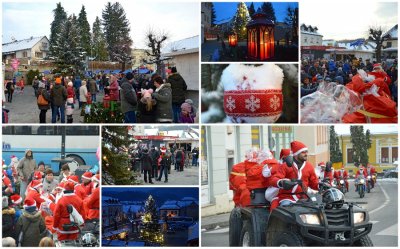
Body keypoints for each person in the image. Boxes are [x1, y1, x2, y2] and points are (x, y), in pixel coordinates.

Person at [269, 141, 319, 210]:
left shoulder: (309, 166)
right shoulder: (286, 165)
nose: (306, 154)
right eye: (303, 152)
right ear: (296, 154)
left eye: (306, 152)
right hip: (288, 198)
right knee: (286, 212)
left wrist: (320, 185)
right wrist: (281, 182)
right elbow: (273, 179)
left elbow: (314, 183)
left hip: (304, 198)